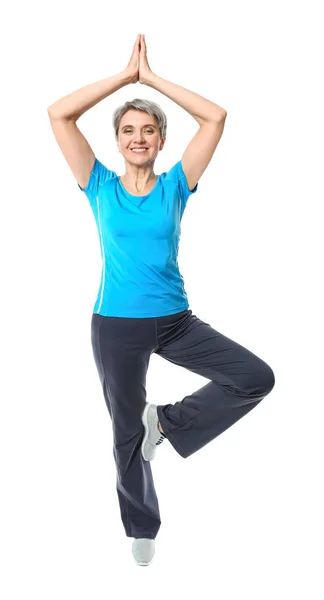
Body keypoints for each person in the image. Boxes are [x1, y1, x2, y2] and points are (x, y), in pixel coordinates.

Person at [48, 33, 275, 566]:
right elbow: (59, 115)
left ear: (161, 139)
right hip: (116, 326)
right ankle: (141, 524)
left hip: (176, 322)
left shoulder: (177, 184)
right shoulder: (98, 183)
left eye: (148, 130)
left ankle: (168, 423)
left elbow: (215, 118)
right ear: (118, 140)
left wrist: (152, 81)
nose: (138, 138)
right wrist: (124, 79)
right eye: (128, 130)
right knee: (124, 432)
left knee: (255, 377)